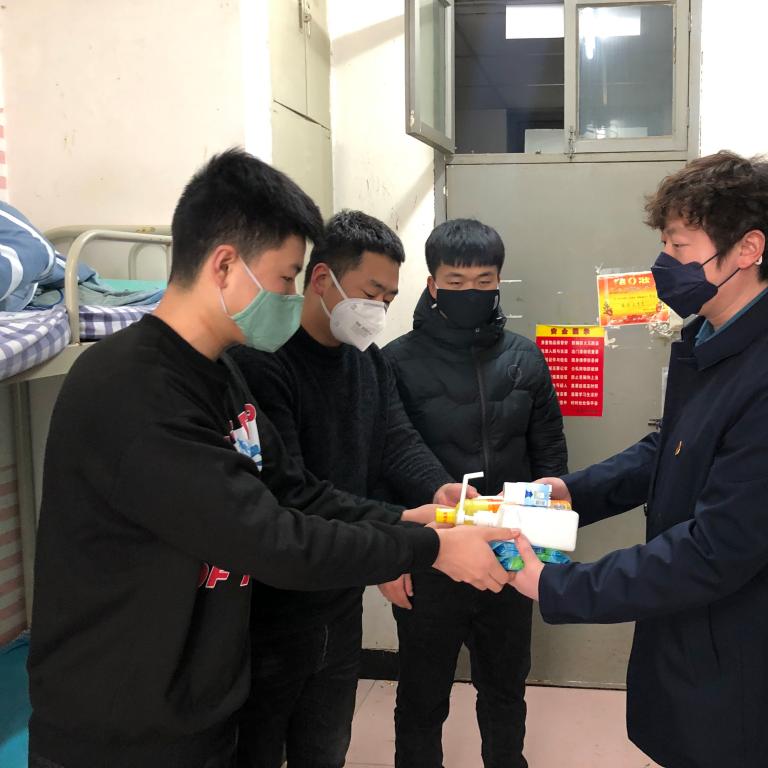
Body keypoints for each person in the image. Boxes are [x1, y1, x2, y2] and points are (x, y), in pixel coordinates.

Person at [27, 150, 511, 768]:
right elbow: (273, 538)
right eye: (285, 279)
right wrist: (433, 548)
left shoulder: (222, 376)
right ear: (225, 265)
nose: (290, 296)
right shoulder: (131, 388)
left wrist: (413, 518)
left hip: (200, 703)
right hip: (121, 729)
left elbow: (294, 489)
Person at [508, 152, 768, 768]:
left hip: (754, 670)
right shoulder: (711, 338)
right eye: (664, 243)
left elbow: (716, 549)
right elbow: (670, 448)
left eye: (679, 245)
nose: (664, 263)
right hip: (699, 638)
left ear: (748, 249)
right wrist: (570, 492)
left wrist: (557, 584)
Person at [229, 210, 467, 768]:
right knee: (255, 748)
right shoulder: (261, 363)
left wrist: (439, 488)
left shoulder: (367, 362)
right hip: (271, 608)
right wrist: (404, 528)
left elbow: (396, 439)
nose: (378, 310)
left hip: (339, 596)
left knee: (326, 745)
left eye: (389, 298)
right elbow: (294, 493)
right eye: (370, 292)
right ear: (321, 278)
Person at [383, 219, 568, 768]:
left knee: (506, 688)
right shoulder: (393, 362)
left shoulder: (525, 358)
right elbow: (381, 464)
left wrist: (547, 543)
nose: (471, 292)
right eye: (456, 282)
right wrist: (387, 557)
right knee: (422, 696)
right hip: (429, 553)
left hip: (511, 551)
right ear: (432, 284)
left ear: (498, 282)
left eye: (483, 281)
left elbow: (550, 457)